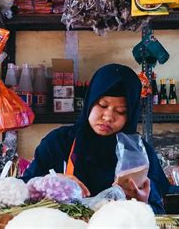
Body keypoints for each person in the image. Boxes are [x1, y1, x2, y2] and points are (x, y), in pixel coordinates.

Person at [22, 63, 170, 213]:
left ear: (131, 116)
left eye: (120, 111)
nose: (108, 117)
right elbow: (23, 191)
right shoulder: (58, 143)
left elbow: (160, 211)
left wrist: (143, 203)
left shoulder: (139, 155)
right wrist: (49, 181)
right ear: (89, 101)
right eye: (102, 105)